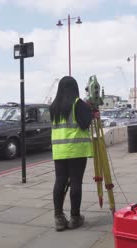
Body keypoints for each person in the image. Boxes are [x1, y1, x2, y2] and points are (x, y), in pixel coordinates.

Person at [49, 76, 93, 231]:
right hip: (76, 149)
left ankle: (59, 218)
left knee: (60, 181)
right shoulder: (77, 104)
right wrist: (90, 111)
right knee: (75, 182)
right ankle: (75, 217)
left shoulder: (53, 106)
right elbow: (85, 123)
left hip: (59, 150)